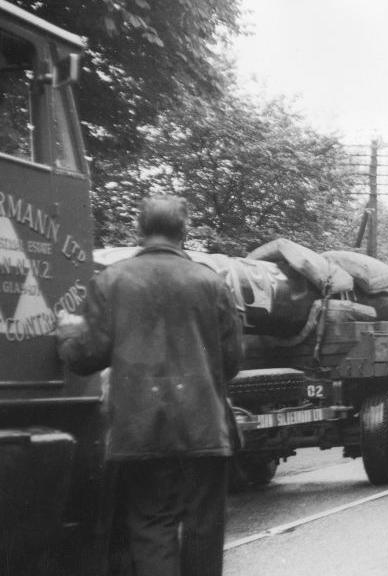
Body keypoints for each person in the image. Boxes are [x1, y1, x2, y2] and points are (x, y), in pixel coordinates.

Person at [57, 196, 243, 576]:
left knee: (151, 527)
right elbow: (232, 361)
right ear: (184, 231)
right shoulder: (212, 282)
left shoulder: (111, 280)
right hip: (205, 429)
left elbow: (86, 357)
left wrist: (66, 336)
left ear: (139, 230)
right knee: (203, 530)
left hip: (140, 430)